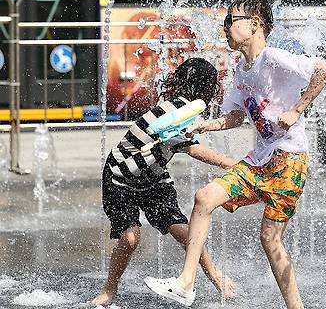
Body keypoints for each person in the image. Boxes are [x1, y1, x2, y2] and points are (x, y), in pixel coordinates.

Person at [144, 0, 326, 308]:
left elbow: (324, 71)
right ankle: (186, 283)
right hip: (258, 160)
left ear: (255, 24)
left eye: (231, 20)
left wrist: (297, 109)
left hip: (289, 161)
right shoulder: (242, 71)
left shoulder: (273, 57)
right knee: (204, 198)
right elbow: (235, 117)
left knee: (270, 240)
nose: (225, 28)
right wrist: (204, 126)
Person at [92, 57, 237, 307]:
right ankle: (109, 288)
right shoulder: (174, 111)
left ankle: (215, 275)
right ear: (207, 89)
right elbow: (193, 149)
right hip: (120, 177)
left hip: (153, 176)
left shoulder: (187, 110)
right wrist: (232, 164)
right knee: (130, 238)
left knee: (184, 231)